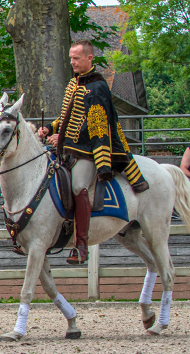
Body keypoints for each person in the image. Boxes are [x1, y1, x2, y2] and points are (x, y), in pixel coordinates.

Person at [38, 40, 149, 265]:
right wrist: (51, 127)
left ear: (89, 58)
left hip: (88, 151)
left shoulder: (98, 88)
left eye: (76, 58)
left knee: (79, 187)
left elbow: (96, 126)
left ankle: (81, 245)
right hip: (67, 148)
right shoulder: (73, 84)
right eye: (70, 58)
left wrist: (64, 138)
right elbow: (68, 116)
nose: (72, 62)